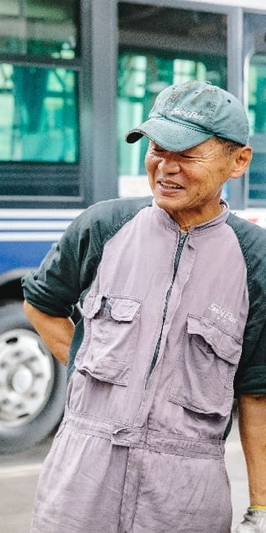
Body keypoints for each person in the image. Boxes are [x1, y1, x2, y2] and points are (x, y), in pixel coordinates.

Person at [21, 79, 266, 532]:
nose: (166, 168)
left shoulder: (256, 259)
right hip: (79, 488)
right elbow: (41, 303)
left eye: (187, 155)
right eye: (157, 150)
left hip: (184, 500)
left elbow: (257, 393)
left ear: (239, 161)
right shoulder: (103, 226)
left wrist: (261, 508)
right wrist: (88, 369)